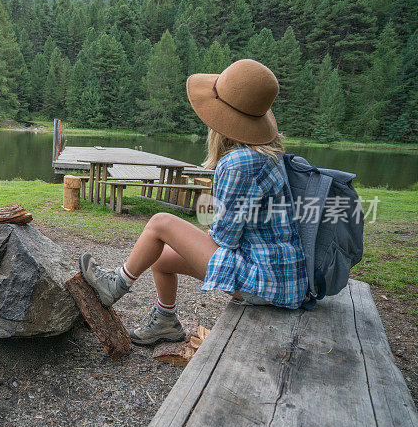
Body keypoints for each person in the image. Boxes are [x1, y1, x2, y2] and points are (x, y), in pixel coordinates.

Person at [79, 59, 308, 346]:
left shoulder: (238, 163)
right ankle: (166, 322)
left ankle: (115, 285)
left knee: (160, 223)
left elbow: (225, 238)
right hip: (283, 279)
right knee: (158, 257)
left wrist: (191, 235)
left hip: (264, 282)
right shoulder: (268, 153)